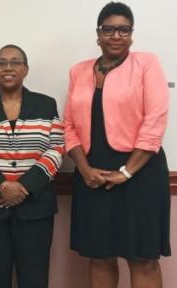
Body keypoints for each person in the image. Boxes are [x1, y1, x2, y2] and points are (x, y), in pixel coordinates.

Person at [64, 2, 170, 288]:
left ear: (132, 35)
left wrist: (126, 171)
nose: (116, 35)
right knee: (99, 255)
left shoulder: (147, 64)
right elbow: (69, 127)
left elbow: (155, 122)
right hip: (93, 174)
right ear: (98, 34)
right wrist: (84, 169)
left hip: (141, 172)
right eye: (109, 29)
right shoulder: (78, 71)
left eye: (124, 29)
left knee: (143, 257)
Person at [0, 45, 64, 288]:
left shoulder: (46, 104)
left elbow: (57, 148)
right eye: (1, 62)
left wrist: (23, 187)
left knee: (35, 279)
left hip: (35, 207)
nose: (8, 67)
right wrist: (1, 186)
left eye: (15, 62)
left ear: (25, 69)